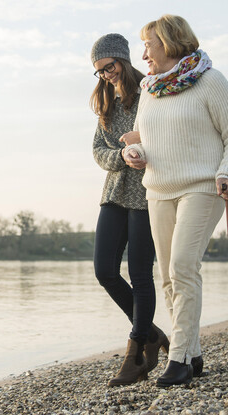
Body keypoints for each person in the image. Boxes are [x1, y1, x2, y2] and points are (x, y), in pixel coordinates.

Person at [122, 15, 228, 387]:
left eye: (148, 44)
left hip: (202, 186)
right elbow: (148, 138)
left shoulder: (210, 81)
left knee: (181, 267)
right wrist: (136, 151)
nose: (143, 53)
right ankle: (192, 353)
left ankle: (177, 361)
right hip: (158, 189)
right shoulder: (150, 89)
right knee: (166, 277)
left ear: (170, 42)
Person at [89, 33, 169, 386]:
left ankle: (137, 350)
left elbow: (167, 134)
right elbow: (97, 150)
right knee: (104, 269)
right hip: (115, 191)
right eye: (100, 71)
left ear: (123, 59)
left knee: (140, 273)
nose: (107, 75)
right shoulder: (105, 101)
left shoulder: (150, 92)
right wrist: (120, 155)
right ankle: (150, 333)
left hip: (148, 193)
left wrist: (142, 146)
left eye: (110, 66)